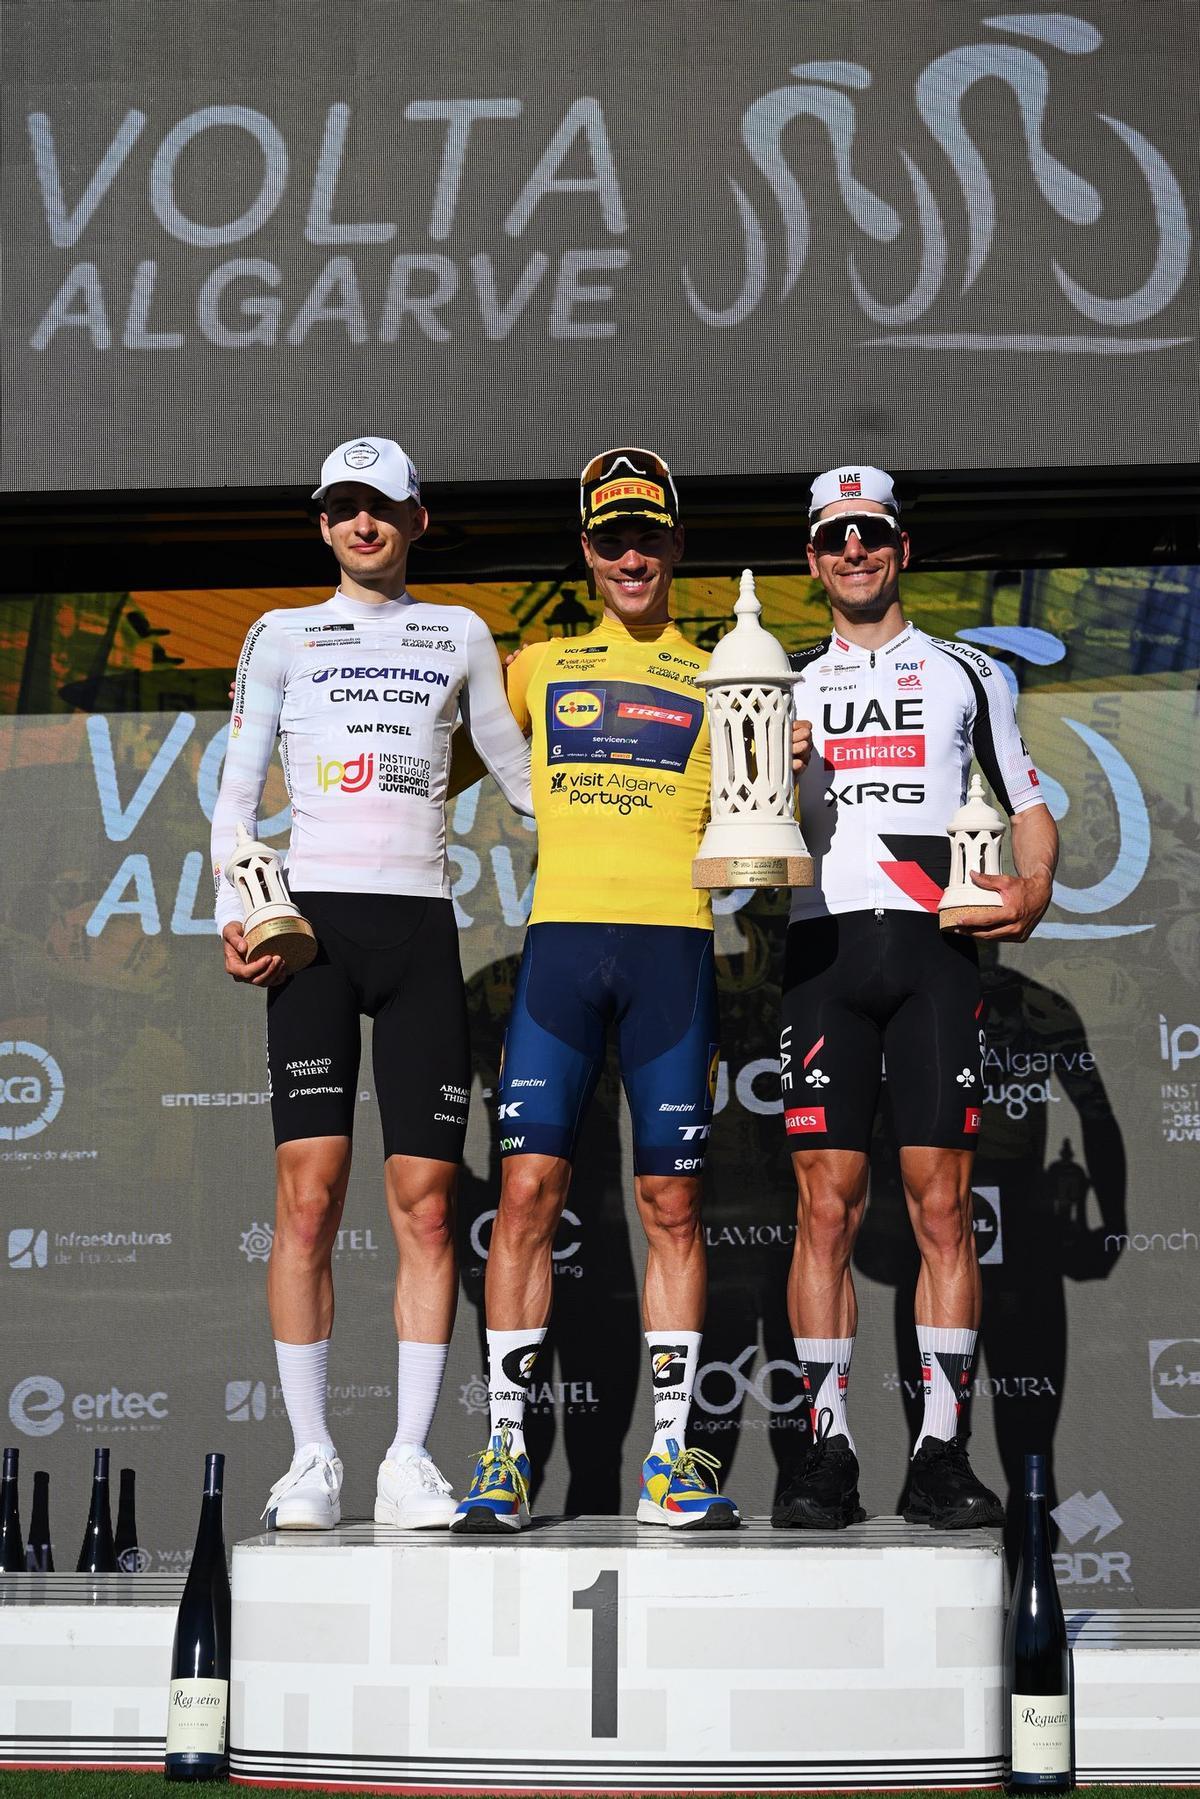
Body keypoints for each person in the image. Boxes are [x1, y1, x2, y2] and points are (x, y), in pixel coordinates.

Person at [452, 448, 800, 1533]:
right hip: (562, 949)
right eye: (611, 538)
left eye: (650, 535)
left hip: (674, 951)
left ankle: (667, 1460)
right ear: (589, 552)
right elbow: (419, 754)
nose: (632, 555)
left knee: (674, 1205)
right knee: (525, 1198)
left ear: (678, 546)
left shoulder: (725, 669)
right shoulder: (535, 665)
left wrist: (795, 759)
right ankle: (504, 1453)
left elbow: (775, 811)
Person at [212, 436, 532, 1531]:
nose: (362, 525)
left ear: (416, 518)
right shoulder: (281, 634)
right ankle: (311, 1457)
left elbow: (523, 773)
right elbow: (237, 785)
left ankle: (405, 1456)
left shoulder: (460, 633)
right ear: (323, 522)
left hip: (417, 933)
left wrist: (649, 814)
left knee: (429, 1210)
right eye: (342, 508)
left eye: (380, 507)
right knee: (305, 1199)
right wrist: (234, 902)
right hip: (309, 930)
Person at [772, 464, 1059, 1530]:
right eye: (836, 535)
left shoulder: (968, 672)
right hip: (821, 956)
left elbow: (1027, 804)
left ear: (901, 549)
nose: (855, 549)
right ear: (813, 558)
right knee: (824, 1207)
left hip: (936, 954)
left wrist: (1033, 890)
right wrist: (765, 764)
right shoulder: (779, 681)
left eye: (873, 533)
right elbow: (722, 821)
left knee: (943, 1208)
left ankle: (942, 1451)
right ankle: (825, 1451)